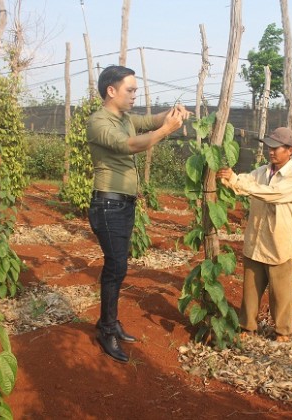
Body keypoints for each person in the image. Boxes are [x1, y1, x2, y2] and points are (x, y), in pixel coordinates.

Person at [87, 65, 190, 363]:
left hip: (123, 204)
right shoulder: (99, 122)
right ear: (111, 91)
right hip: (108, 205)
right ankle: (106, 329)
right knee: (115, 268)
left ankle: (111, 322)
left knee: (118, 267)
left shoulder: (125, 118)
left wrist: (173, 114)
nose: (135, 95)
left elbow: (151, 119)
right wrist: (165, 131)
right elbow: (129, 145)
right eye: (130, 90)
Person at [217, 127, 292, 342]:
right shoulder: (263, 172)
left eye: (276, 148)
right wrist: (231, 177)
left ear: (290, 150)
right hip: (256, 240)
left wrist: (239, 182)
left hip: (278, 244)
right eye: (270, 147)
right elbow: (246, 181)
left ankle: (283, 331)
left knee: (281, 294)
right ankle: (247, 327)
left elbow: (272, 194)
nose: (271, 151)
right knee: (250, 290)